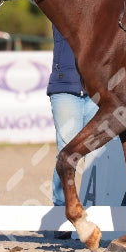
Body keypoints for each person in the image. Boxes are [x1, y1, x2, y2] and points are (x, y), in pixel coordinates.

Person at [47, 24, 98, 237]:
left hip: (97, 87)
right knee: (67, 152)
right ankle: (61, 209)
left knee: (98, 155)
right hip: (65, 88)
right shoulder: (60, 2)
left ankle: (96, 208)